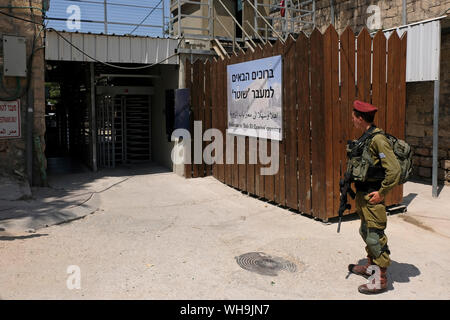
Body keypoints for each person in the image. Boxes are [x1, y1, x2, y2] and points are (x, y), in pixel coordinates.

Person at [347, 100, 401, 294]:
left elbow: (393, 170)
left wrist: (382, 192)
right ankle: (371, 268)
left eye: (354, 117)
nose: (352, 120)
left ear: (361, 118)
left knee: (375, 237)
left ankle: (381, 279)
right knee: (365, 232)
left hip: (373, 196)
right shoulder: (366, 137)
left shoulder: (378, 139)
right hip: (363, 195)